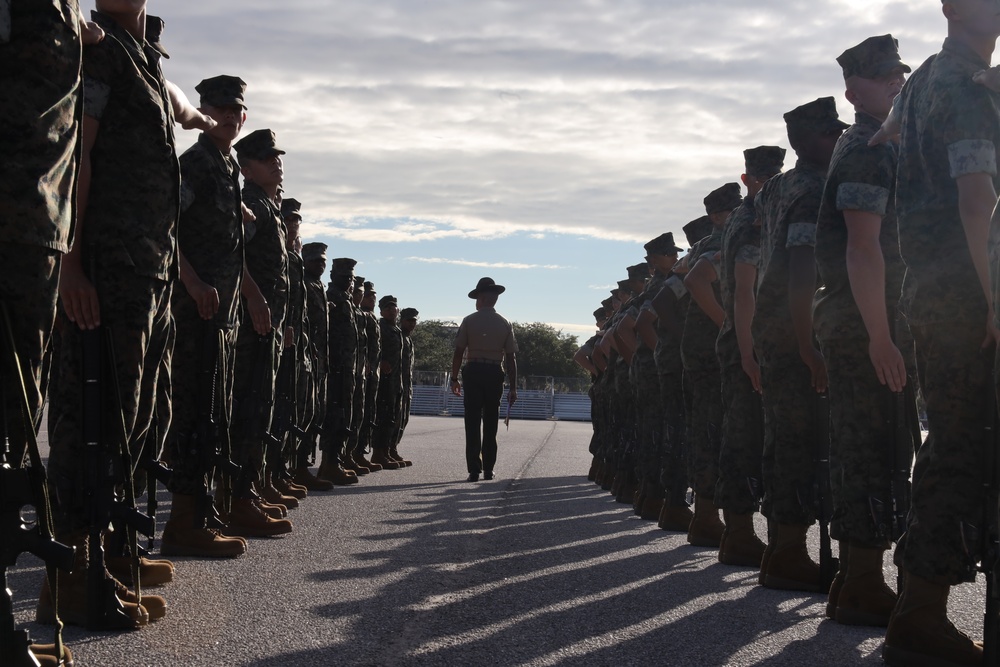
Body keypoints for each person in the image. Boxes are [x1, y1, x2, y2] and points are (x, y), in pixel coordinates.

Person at [42, 0, 182, 630]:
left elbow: (181, 105)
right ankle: (72, 578)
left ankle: (110, 563)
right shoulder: (100, 51)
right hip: (104, 265)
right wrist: (71, 264)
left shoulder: (140, 59)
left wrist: (201, 113)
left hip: (142, 268)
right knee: (90, 419)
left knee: (131, 418)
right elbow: (80, 152)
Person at [885, 2, 1000, 663]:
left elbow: (887, 137)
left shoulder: (930, 75)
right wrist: (994, 298)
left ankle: (917, 608)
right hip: (965, 293)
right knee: (963, 449)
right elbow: (975, 197)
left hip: (934, 288)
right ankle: (920, 613)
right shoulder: (959, 84)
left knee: (952, 443)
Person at [813, 35, 911, 629]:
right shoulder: (867, 149)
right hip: (864, 321)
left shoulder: (884, 141)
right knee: (872, 448)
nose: (896, 83)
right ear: (854, 91)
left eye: (899, 73)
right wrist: (880, 335)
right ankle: (865, 584)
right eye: (884, 77)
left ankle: (856, 580)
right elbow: (862, 247)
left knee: (872, 445)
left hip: (866, 318)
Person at [753, 97, 846, 592]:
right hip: (795, 331)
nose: (838, 141)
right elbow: (803, 271)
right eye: (830, 135)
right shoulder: (810, 189)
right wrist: (810, 346)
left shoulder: (777, 189)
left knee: (782, 439)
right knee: (798, 441)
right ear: (805, 142)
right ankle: (787, 555)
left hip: (772, 327)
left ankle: (781, 551)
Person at [161, 74, 251, 558]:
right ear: (202, 112)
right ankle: (182, 521)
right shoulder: (195, 164)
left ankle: (202, 515)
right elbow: (166, 223)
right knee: (194, 410)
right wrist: (191, 281)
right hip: (195, 311)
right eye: (217, 108)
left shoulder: (226, 168)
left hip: (222, 316)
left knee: (213, 412)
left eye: (236, 109)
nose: (228, 117)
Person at [700, 146, 785, 567]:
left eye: (776, 174)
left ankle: (738, 533)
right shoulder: (751, 220)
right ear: (748, 177)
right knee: (746, 437)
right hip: (749, 342)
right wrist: (742, 339)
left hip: (744, 339)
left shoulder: (742, 219)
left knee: (742, 435)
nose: (771, 181)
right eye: (764, 176)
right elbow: (742, 286)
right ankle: (739, 533)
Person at [226, 128, 294, 536]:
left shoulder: (267, 205)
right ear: (247, 169)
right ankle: (237, 498)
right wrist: (253, 297)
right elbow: (232, 251)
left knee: (260, 410)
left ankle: (247, 491)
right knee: (248, 410)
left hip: (266, 326)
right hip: (251, 327)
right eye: (267, 159)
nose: (276, 163)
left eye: (277, 157)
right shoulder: (252, 203)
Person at [450, 277, 518, 482]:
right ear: (495, 299)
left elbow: (459, 351)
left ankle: (473, 469)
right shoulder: (505, 323)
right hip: (494, 373)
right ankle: (488, 468)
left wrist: (454, 378)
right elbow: (511, 357)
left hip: (473, 370)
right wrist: (513, 387)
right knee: (491, 422)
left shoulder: (469, 320)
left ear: (480, 298)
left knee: (472, 421)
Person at [372, 295, 404, 468]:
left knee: (392, 417)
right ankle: (378, 452)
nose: (392, 311)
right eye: (388, 308)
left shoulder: (396, 329)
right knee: (383, 417)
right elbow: (373, 347)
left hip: (395, 380)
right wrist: (381, 359)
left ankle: (386, 450)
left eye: (394, 308)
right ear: (382, 311)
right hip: (384, 380)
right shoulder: (381, 326)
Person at [395, 307, 420, 464]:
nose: (412, 324)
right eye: (409, 320)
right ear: (401, 320)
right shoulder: (397, 335)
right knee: (393, 418)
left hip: (405, 384)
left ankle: (392, 448)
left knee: (403, 418)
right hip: (394, 384)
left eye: (414, 321)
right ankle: (384, 450)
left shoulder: (408, 339)